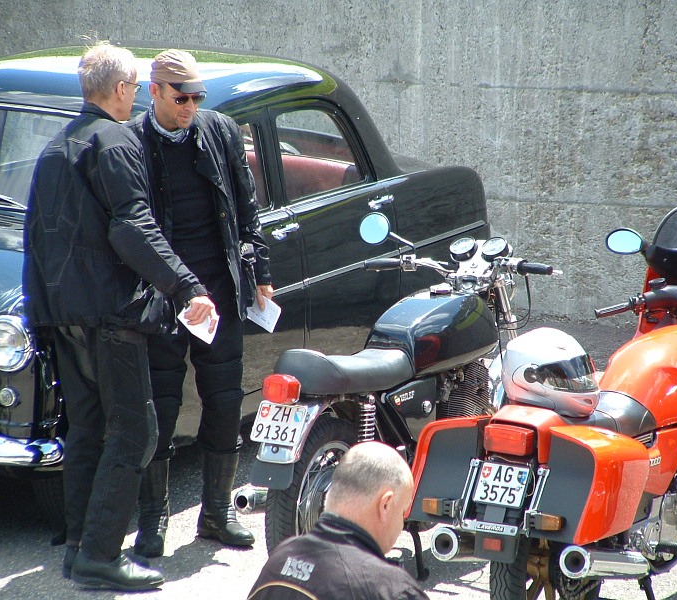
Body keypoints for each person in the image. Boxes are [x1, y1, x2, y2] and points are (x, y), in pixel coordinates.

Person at [23, 42, 218, 591]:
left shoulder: (56, 146)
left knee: (87, 429)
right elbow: (133, 227)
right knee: (135, 432)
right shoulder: (116, 140)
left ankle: (81, 548)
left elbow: (35, 238)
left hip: (64, 315)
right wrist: (187, 288)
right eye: (133, 87)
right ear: (122, 90)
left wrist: (43, 315)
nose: (134, 96)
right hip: (111, 315)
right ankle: (102, 556)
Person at [127, 49, 273, 558]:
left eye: (196, 97)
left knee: (225, 402)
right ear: (155, 93)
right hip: (165, 296)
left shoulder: (220, 131)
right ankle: (153, 520)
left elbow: (247, 207)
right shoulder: (134, 142)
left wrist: (261, 274)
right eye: (180, 97)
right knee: (162, 408)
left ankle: (216, 513)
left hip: (219, 292)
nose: (189, 106)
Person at [247, 442, 430, 600]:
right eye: (402, 512)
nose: (401, 525)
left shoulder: (279, 561)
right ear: (385, 504)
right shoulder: (391, 590)